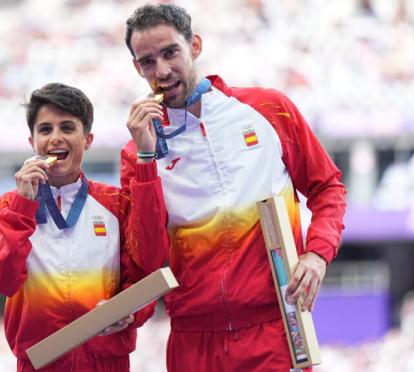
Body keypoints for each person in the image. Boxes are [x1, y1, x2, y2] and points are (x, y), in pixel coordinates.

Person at [121, 4, 347, 371]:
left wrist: (318, 253)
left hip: (275, 329)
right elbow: (147, 258)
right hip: (193, 341)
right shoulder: (137, 151)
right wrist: (147, 161)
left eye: (170, 52)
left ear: (194, 45)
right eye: (147, 62)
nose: (161, 71)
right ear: (137, 68)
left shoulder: (268, 109)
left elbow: (328, 188)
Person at [0, 83, 169, 372]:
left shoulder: (116, 203)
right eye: (45, 130)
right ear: (31, 142)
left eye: (67, 127)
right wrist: (22, 207)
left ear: (88, 139)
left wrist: (132, 312)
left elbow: (144, 272)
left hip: (107, 362)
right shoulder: (6, 208)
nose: (56, 138)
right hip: (39, 363)